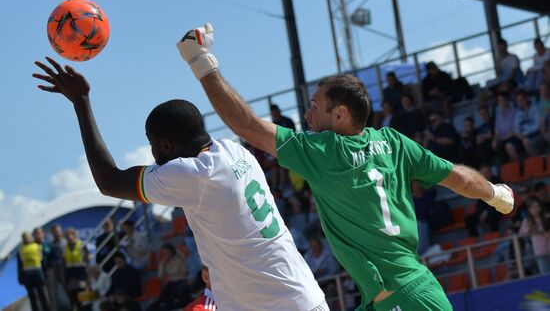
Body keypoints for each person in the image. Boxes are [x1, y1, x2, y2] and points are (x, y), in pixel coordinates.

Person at [177, 23, 515, 311]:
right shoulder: (395, 142)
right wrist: (496, 193)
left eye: (314, 106)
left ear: (339, 114)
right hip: (400, 291)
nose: (307, 116)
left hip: (401, 295)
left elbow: (247, 125)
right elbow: (458, 178)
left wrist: (201, 62)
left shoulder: (324, 151)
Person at [32, 57, 327, 311]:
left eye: (152, 145)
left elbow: (109, 181)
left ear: (167, 145)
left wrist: (82, 104)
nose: (152, 154)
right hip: (299, 294)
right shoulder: (233, 151)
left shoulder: (194, 175)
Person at [147, 243, 191, 311]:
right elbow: (160, 276)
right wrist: (163, 264)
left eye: (167, 252)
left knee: (181, 289)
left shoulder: (180, 257)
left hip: (182, 279)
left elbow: (185, 270)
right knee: (164, 293)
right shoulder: (164, 262)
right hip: (172, 281)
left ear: (171, 251)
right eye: (164, 253)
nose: (166, 254)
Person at [18, 232, 51, 311]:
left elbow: (20, 266)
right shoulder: (37, 247)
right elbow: (43, 262)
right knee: (43, 296)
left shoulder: (21, 250)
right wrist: (45, 274)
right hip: (38, 274)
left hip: (28, 276)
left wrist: (20, 278)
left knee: (33, 298)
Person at [519, 197, 550, 274]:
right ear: (529, 209)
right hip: (540, 252)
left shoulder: (547, 218)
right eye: (533, 207)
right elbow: (521, 234)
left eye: (538, 206)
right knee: (545, 275)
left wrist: (538, 231)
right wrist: (528, 230)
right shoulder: (527, 221)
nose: (536, 209)